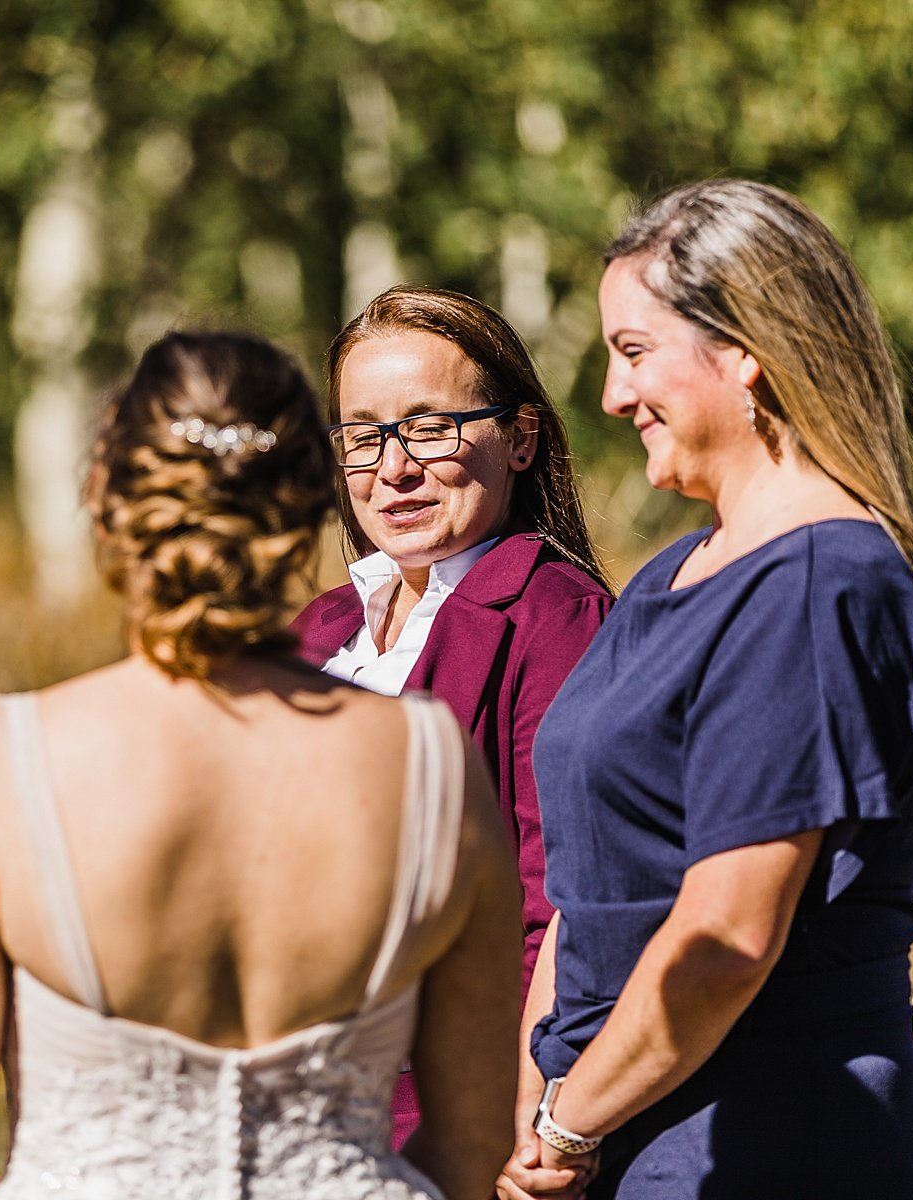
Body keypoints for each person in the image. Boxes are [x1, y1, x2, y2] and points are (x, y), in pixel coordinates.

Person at [0, 332, 525, 1200]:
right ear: (308, 505)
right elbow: (471, 1144)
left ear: (107, 500)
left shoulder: (3, 767)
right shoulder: (431, 764)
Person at [502, 179, 913, 1200]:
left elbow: (728, 939)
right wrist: (538, 1100)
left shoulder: (816, 586)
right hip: (626, 1127)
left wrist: (569, 1127)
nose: (613, 399)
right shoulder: (675, 574)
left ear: (744, 347)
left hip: (762, 1140)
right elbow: (595, 881)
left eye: (633, 353)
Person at [292, 286, 612, 1145]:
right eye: (363, 436)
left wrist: (518, 1119)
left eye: (429, 427)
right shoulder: (317, 632)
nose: (393, 468)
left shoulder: (556, 619)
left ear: (521, 438)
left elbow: (565, 910)